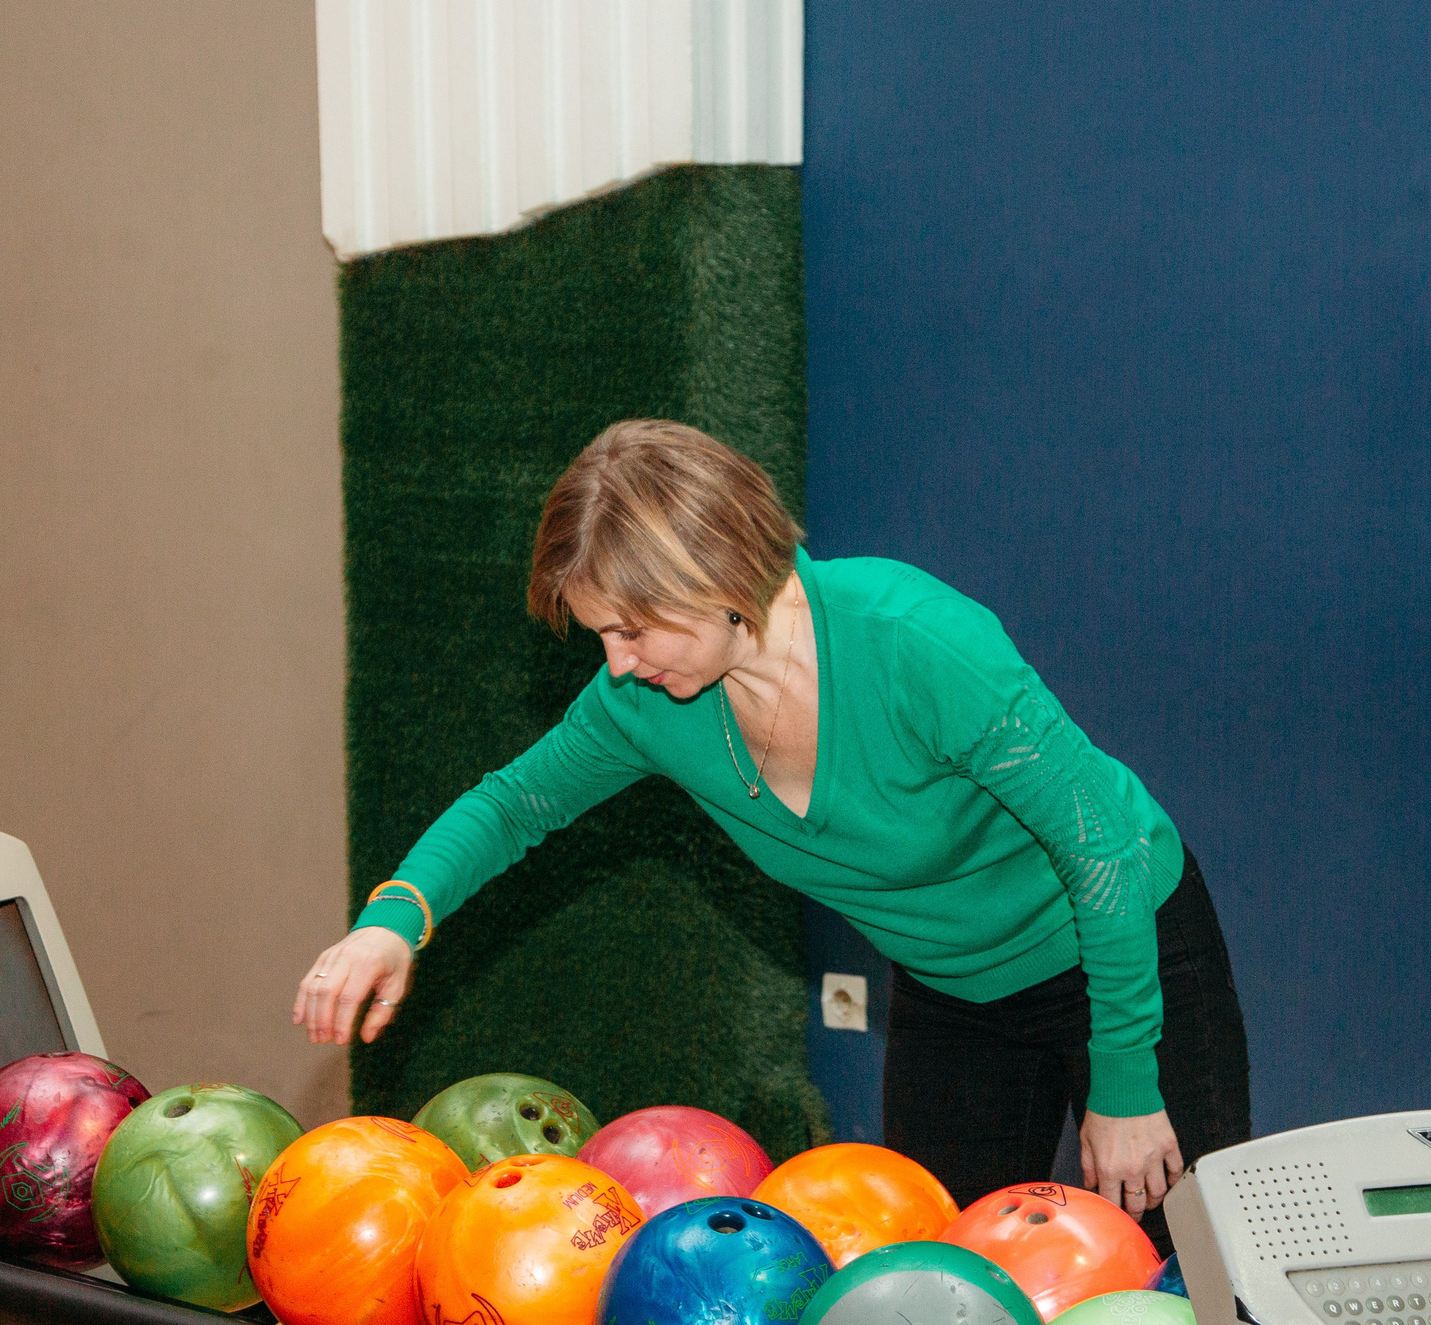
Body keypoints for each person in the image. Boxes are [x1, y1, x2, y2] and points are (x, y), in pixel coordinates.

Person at [296, 417, 1250, 1246]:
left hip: (1120, 948)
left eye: (631, 630)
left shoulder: (912, 639)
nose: (617, 665)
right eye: (601, 637)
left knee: (1189, 1280)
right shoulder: (650, 707)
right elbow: (515, 803)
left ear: (714, 574)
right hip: (955, 994)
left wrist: (1126, 1084)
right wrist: (393, 919)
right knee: (948, 1286)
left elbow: (1098, 850)